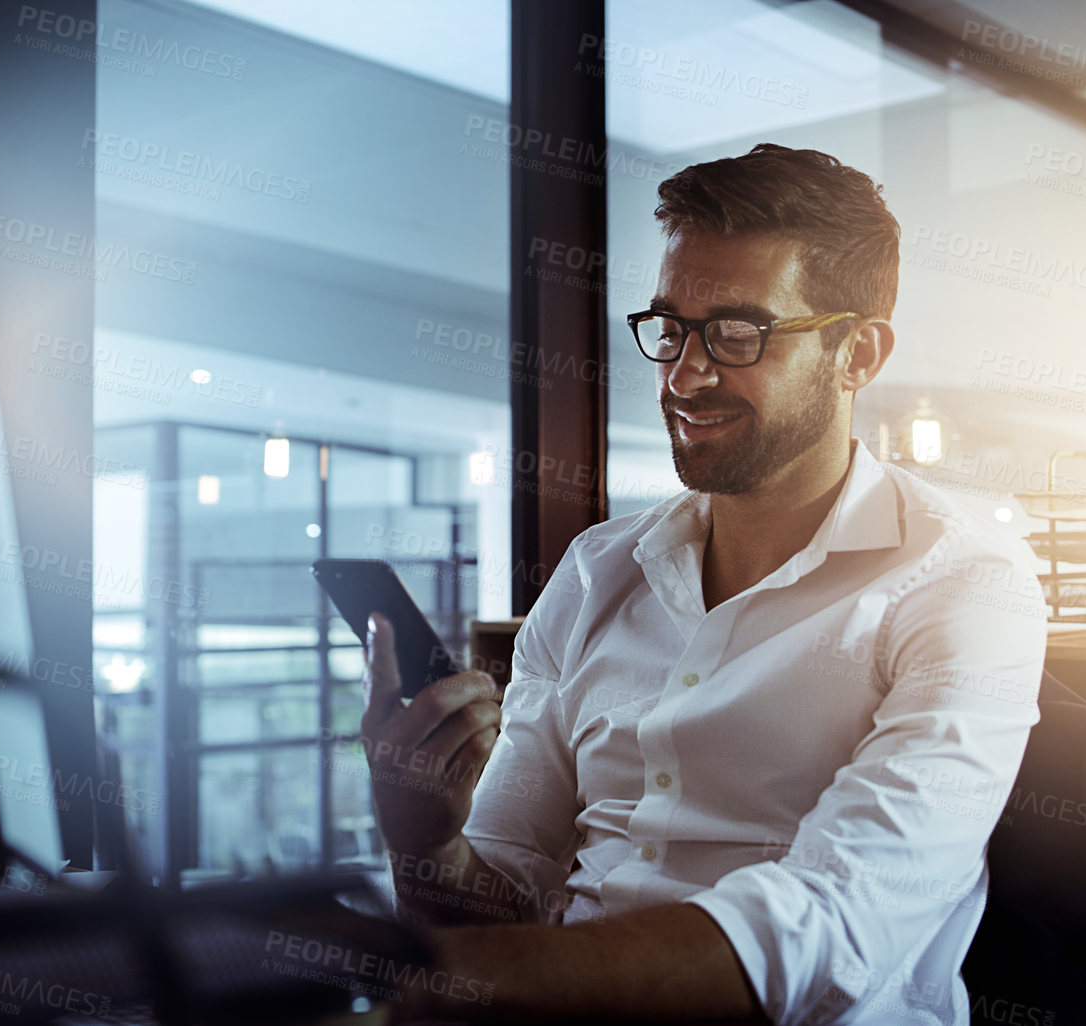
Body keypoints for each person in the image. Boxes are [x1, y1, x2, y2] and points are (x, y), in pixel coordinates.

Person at [359, 143, 1047, 1025]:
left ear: (858, 353)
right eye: (670, 328)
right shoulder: (594, 573)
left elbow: (833, 929)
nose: (683, 374)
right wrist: (425, 840)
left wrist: (465, 978)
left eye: (736, 333)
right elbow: (499, 900)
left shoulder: (962, 584)